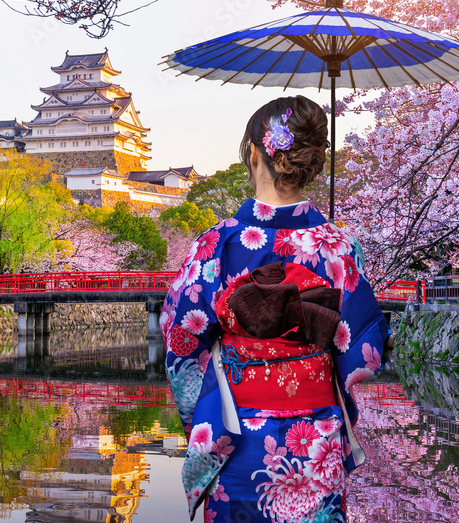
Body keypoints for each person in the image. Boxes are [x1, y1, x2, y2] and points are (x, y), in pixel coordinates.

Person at [161, 95, 387, 523]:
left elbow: (181, 339)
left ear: (252, 153)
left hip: (240, 436)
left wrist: (205, 407)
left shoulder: (218, 243)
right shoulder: (340, 246)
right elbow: (366, 350)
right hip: (315, 439)